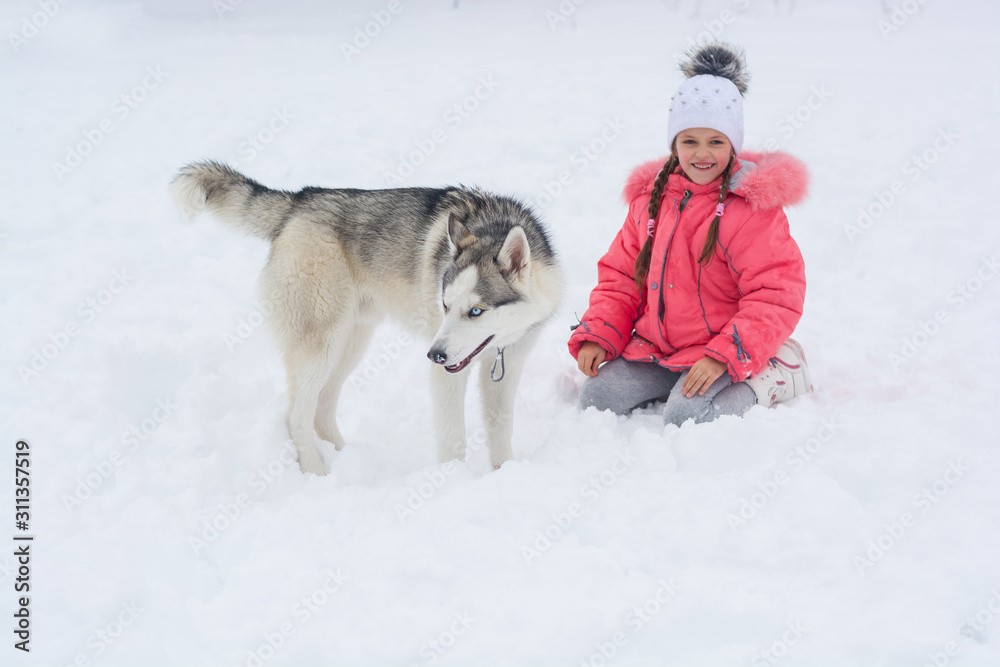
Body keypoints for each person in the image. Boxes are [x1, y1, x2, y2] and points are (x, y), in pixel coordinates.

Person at [568, 43, 812, 427]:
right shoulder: (651, 201)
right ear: (674, 143)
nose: (702, 154)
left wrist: (723, 355)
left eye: (716, 141)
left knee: (688, 416)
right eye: (689, 141)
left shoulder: (749, 211)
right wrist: (600, 332)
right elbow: (620, 277)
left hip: (722, 348)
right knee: (598, 397)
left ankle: (775, 369)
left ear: (733, 144)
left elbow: (776, 294)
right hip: (658, 348)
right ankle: (678, 378)